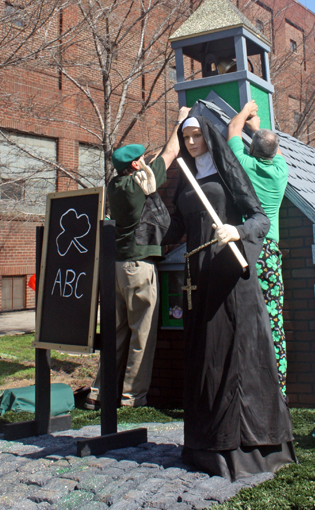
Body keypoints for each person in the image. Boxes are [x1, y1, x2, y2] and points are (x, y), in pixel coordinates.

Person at [161, 115, 296, 481]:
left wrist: (237, 231)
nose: (191, 143)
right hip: (198, 280)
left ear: (208, 135)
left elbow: (260, 219)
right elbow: (174, 228)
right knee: (207, 362)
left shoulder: (228, 169)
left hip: (231, 279)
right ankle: (207, 446)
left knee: (238, 361)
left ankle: (248, 449)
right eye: (185, 137)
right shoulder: (185, 179)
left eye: (196, 136)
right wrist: (142, 202)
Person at [86, 106, 190, 409]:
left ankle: (99, 392)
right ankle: (133, 398)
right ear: (135, 164)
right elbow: (171, 152)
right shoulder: (140, 184)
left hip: (115, 269)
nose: (145, 160)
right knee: (141, 335)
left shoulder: (116, 186)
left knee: (115, 335)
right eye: (141, 158)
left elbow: (154, 158)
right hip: (138, 269)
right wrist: (180, 121)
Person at [227, 100, 289, 398]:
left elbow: (231, 130)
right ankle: (279, 388)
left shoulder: (245, 165)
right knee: (273, 317)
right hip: (272, 253)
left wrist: (245, 111)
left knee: (247, 316)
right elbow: (274, 149)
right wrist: (259, 129)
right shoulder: (280, 172)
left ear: (253, 150)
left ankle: (250, 386)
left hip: (248, 248)